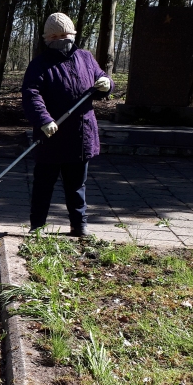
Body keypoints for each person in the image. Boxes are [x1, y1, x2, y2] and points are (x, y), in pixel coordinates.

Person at [21, 12, 113, 237]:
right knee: (44, 185)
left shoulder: (86, 58)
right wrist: (44, 119)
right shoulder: (39, 64)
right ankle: (37, 227)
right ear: (47, 38)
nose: (61, 39)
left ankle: (79, 226)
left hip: (80, 135)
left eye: (65, 34)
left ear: (73, 34)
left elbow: (100, 79)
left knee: (76, 186)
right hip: (50, 136)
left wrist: (106, 83)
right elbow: (31, 94)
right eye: (55, 35)